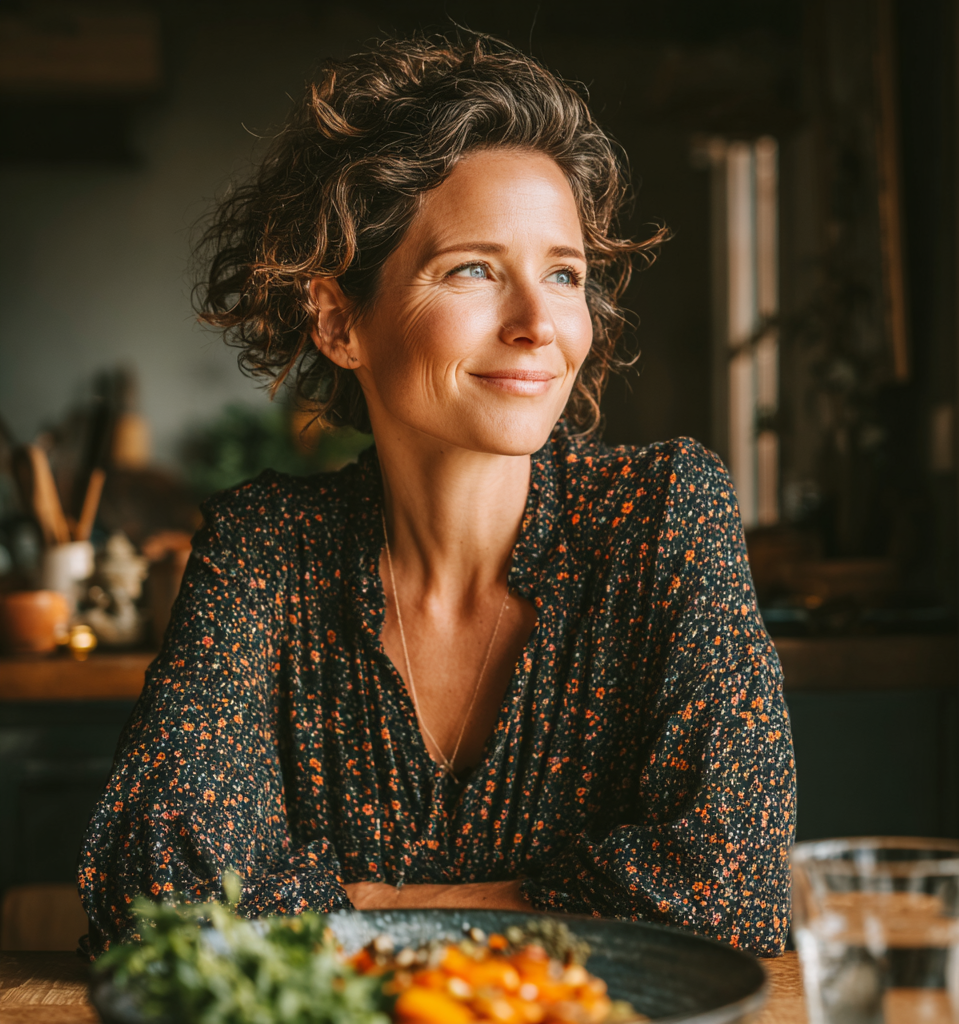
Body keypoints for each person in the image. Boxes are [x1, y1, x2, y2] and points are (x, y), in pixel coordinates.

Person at [79, 33, 795, 957]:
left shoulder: (663, 514)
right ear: (339, 320)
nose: (541, 325)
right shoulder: (264, 550)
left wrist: (367, 904)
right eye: (474, 270)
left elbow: (731, 896)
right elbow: (151, 909)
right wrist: (553, 904)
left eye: (564, 274)